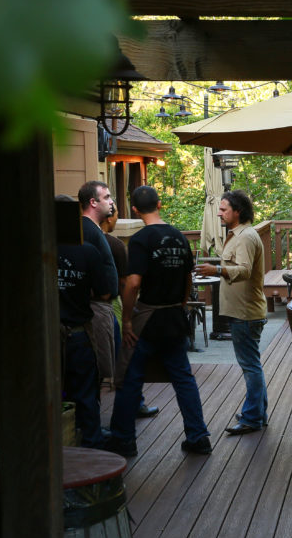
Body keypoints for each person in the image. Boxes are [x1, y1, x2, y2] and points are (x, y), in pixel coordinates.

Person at [106, 186, 212, 457]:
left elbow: (133, 283)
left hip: (148, 318)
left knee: (130, 377)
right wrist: (183, 304)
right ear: (160, 204)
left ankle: (123, 439)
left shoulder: (142, 240)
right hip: (175, 316)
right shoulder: (179, 236)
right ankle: (198, 437)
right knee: (183, 378)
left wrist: (127, 320)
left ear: (135, 209)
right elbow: (188, 277)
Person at [195, 190, 268, 436]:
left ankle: (251, 418)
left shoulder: (246, 237)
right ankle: (258, 413)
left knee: (250, 366)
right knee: (253, 364)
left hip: (246, 312)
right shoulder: (238, 235)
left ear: (238, 211)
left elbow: (245, 270)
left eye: (224, 209)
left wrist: (216, 270)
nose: (219, 213)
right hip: (244, 311)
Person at [57, 195, 115, 447]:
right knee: (86, 392)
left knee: (53, 393)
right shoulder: (88, 252)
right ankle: (91, 444)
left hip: (46, 335)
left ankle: (57, 444)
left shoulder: (37, 250)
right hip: (79, 333)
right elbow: (104, 293)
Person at [101, 204, 159, 417]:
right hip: (114, 303)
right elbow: (127, 282)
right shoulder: (115, 245)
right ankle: (135, 405)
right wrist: (128, 316)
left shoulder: (91, 241)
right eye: (116, 214)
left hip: (97, 306)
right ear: (109, 219)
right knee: (126, 355)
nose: (117, 218)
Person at [77, 181, 118, 392]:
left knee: (107, 364)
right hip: (95, 307)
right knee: (99, 368)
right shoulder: (87, 231)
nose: (111, 202)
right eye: (107, 197)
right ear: (93, 202)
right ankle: (93, 423)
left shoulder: (93, 229)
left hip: (103, 306)